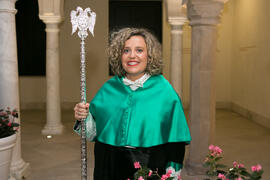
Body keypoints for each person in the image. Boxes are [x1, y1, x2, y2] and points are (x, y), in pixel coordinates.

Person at [73, 27, 191, 180]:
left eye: (139, 50)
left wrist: (172, 172)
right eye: (126, 50)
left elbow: (176, 138)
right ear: (119, 56)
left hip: (148, 164)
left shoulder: (165, 92)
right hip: (108, 163)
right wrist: (83, 115)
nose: (132, 56)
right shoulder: (109, 88)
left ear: (149, 56)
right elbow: (92, 132)